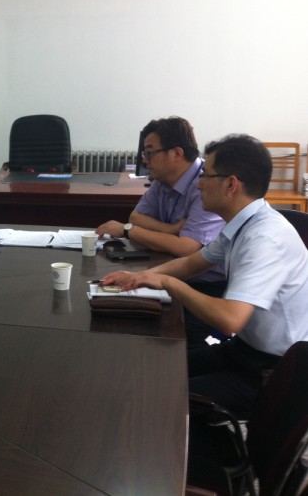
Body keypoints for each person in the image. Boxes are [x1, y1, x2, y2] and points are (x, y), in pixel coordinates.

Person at [102, 134, 308, 416]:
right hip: (244, 351)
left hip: (274, 373)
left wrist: (167, 283)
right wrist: (142, 276)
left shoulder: (264, 239)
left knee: (155, 395)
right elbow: (193, 263)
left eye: (206, 176)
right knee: (155, 368)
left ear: (231, 184)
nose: (199, 185)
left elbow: (229, 320)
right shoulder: (243, 223)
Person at [96, 117, 227, 347]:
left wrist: (128, 231)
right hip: (172, 273)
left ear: (176, 153)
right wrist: (171, 230)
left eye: (149, 153)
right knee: (112, 317)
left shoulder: (207, 186)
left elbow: (187, 248)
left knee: (144, 337)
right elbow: (136, 217)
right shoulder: (163, 179)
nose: (145, 161)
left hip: (206, 288)